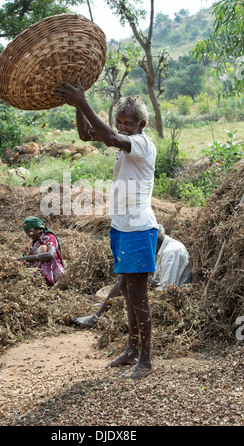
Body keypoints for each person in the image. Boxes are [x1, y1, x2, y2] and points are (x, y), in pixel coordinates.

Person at [54, 81, 158, 379]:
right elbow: (86, 134)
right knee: (127, 293)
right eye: (120, 122)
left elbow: (111, 138)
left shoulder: (141, 143)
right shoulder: (124, 140)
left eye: (129, 122)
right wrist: (78, 107)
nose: (123, 127)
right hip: (122, 228)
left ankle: (147, 360)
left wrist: (83, 101)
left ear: (142, 124)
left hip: (139, 229)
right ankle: (132, 350)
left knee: (138, 297)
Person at [71, 224, 192, 328]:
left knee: (127, 280)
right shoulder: (164, 247)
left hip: (175, 298)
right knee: (126, 279)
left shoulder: (171, 252)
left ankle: (98, 315)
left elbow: (167, 288)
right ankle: (103, 309)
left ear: (154, 241)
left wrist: (142, 281)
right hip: (165, 291)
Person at [17, 216, 64, 286]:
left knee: (43, 248)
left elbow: (51, 255)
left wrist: (26, 258)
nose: (28, 235)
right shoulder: (34, 240)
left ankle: (48, 280)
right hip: (39, 273)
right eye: (26, 233)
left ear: (38, 229)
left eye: (30, 232)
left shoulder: (49, 237)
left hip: (54, 273)